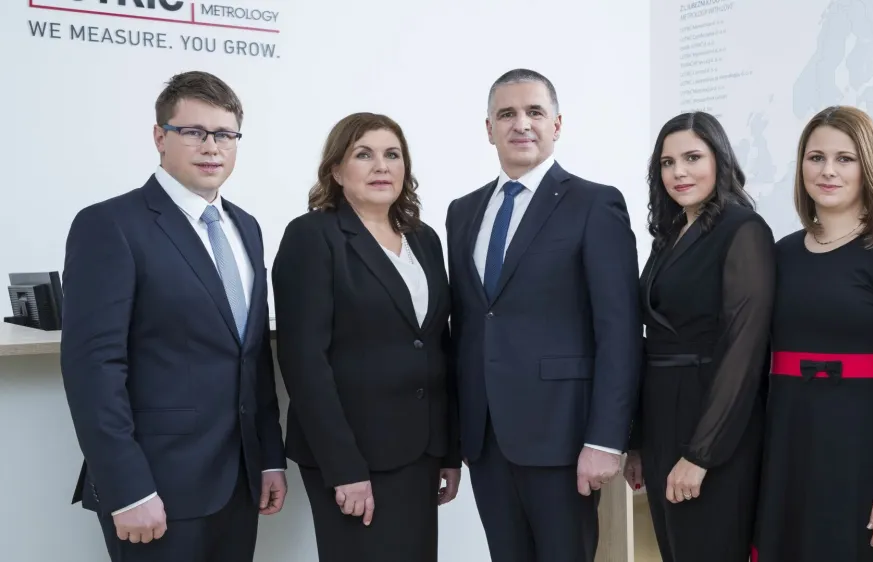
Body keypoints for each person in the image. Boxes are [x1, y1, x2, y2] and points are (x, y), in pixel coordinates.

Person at [60, 70, 287, 562]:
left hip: (239, 482)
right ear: (160, 137)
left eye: (225, 134)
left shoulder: (246, 227)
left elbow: (251, 358)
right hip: (155, 488)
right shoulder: (110, 225)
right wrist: (127, 489)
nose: (212, 147)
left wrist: (271, 457)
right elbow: (92, 370)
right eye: (194, 132)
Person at [444, 68, 643, 562]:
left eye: (534, 111)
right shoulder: (462, 212)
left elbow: (619, 332)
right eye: (506, 114)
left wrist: (606, 439)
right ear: (488, 128)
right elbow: (467, 326)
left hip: (564, 437)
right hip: (486, 438)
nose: (521, 123)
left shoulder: (595, 203)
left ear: (557, 124)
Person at [752, 105, 873, 562]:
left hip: (866, 450)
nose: (828, 171)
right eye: (816, 157)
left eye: (845, 158)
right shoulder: (780, 255)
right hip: (790, 449)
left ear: (868, 167)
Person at [270, 112, 462, 562]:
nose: (381, 166)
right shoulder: (312, 236)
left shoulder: (424, 239)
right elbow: (304, 362)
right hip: (352, 455)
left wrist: (450, 451)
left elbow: (439, 346)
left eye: (392, 155)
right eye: (364, 154)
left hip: (420, 452)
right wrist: (344, 468)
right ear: (337, 170)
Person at [621, 111, 774, 561]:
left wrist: (702, 454)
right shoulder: (669, 235)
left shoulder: (744, 229)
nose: (678, 172)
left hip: (713, 423)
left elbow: (744, 351)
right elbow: (650, 342)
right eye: (667, 163)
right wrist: (637, 442)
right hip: (662, 421)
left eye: (692, 158)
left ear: (719, 160)